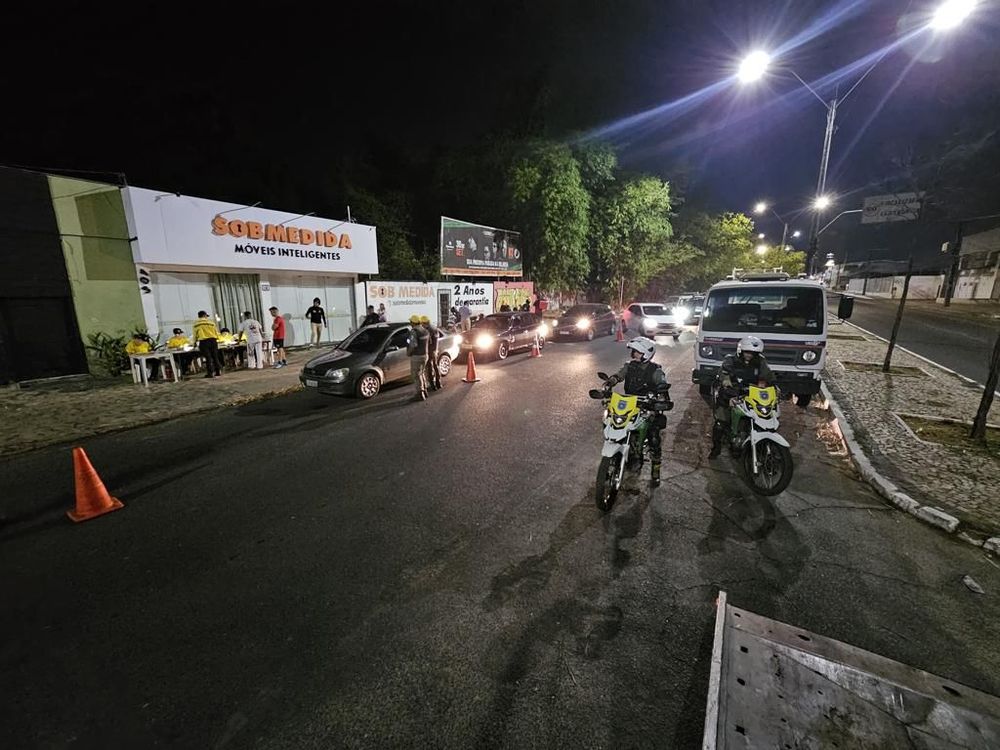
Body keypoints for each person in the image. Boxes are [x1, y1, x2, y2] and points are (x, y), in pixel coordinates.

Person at [604, 336, 673, 487]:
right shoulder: (629, 366)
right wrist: (610, 381)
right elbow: (619, 375)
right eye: (633, 352)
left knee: (654, 438)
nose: (633, 354)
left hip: (647, 406)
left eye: (637, 352)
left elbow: (662, 385)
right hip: (629, 404)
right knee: (614, 422)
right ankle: (625, 453)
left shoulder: (656, 370)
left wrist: (660, 397)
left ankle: (656, 471)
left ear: (646, 354)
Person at [709, 335, 775, 459]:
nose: (749, 355)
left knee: (765, 415)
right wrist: (726, 382)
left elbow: (768, 376)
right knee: (721, 423)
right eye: (747, 352)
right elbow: (724, 373)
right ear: (741, 350)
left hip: (751, 395)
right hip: (731, 395)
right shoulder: (730, 360)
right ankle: (716, 448)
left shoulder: (760, 362)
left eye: (753, 353)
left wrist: (773, 384)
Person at [192, 311, 223, 378]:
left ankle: (210, 373)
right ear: (204, 315)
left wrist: (194, 343)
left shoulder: (196, 324)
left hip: (204, 342)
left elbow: (195, 335)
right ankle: (218, 371)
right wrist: (218, 340)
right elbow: (216, 332)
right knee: (215, 357)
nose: (207, 317)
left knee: (208, 358)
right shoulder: (211, 323)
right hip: (213, 341)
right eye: (206, 315)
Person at [406, 314, 430, 401]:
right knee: (422, 373)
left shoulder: (414, 332)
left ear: (413, 323)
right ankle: (425, 390)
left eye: (410, 322)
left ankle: (420, 394)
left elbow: (413, 345)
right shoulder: (425, 330)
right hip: (425, 355)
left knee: (416, 375)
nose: (410, 323)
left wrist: (408, 353)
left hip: (417, 356)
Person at [421, 315, 442, 391]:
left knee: (430, 368)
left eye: (422, 323)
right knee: (436, 366)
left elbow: (428, 342)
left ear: (424, 323)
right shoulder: (434, 328)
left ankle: (433, 385)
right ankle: (438, 383)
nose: (421, 325)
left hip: (430, 351)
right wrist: (435, 350)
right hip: (434, 350)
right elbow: (436, 340)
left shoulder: (427, 330)